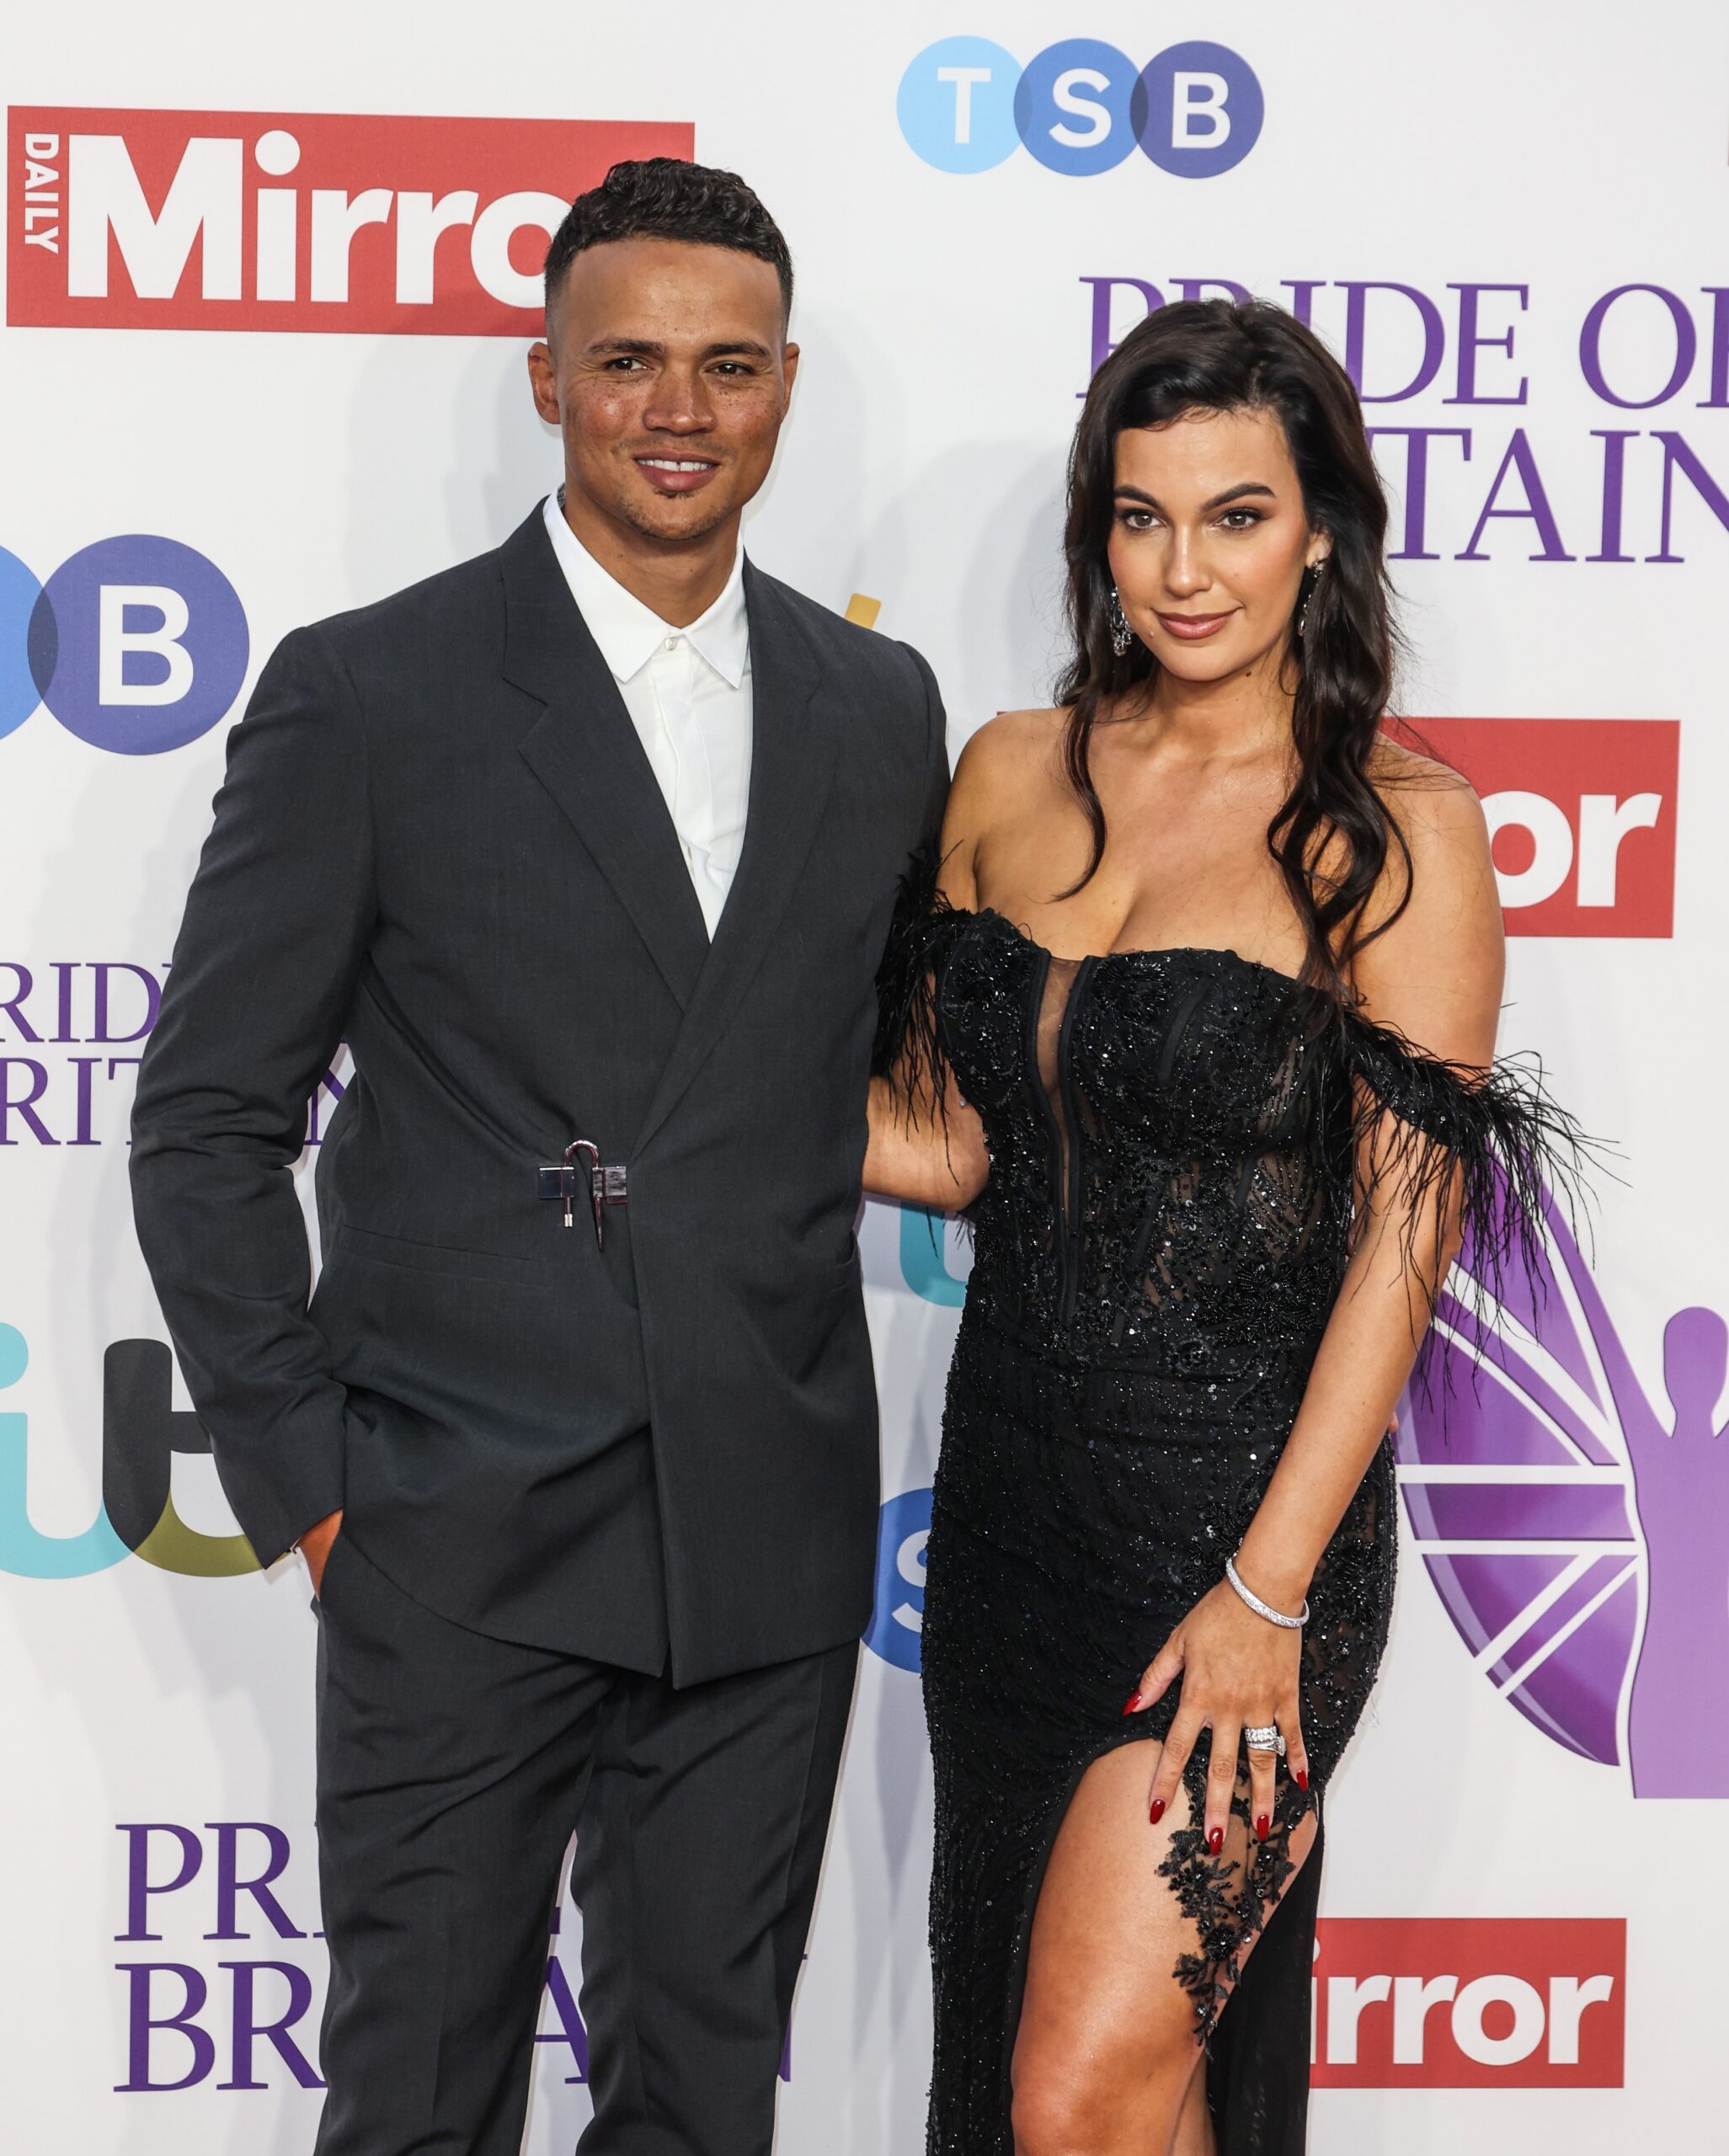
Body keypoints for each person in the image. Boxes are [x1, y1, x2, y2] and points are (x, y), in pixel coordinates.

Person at [130, 157, 946, 2156]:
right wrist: (322, 1493)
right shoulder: (371, 686)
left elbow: (861, 1081)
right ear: (545, 378)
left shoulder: (879, 703)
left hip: (758, 1524)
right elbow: (209, 1120)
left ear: (780, 393)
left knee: (699, 2111)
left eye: (728, 365)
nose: (679, 409)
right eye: (629, 361)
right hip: (454, 1528)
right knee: (415, 2107)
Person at [866, 299, 1581, 2155]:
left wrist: (1267, 1590)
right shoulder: (1014, 771)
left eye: (1237, 516)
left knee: (1079, 2090)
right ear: (1097, 529)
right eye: (1139, 515)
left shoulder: (1397, 831)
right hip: (1013, 1514)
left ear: (1323, 528)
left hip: (1245, 1546)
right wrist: (645, 1071)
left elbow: (1401, 1249)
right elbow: (950, 1146)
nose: (1183, 570)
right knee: (1086, 2093)